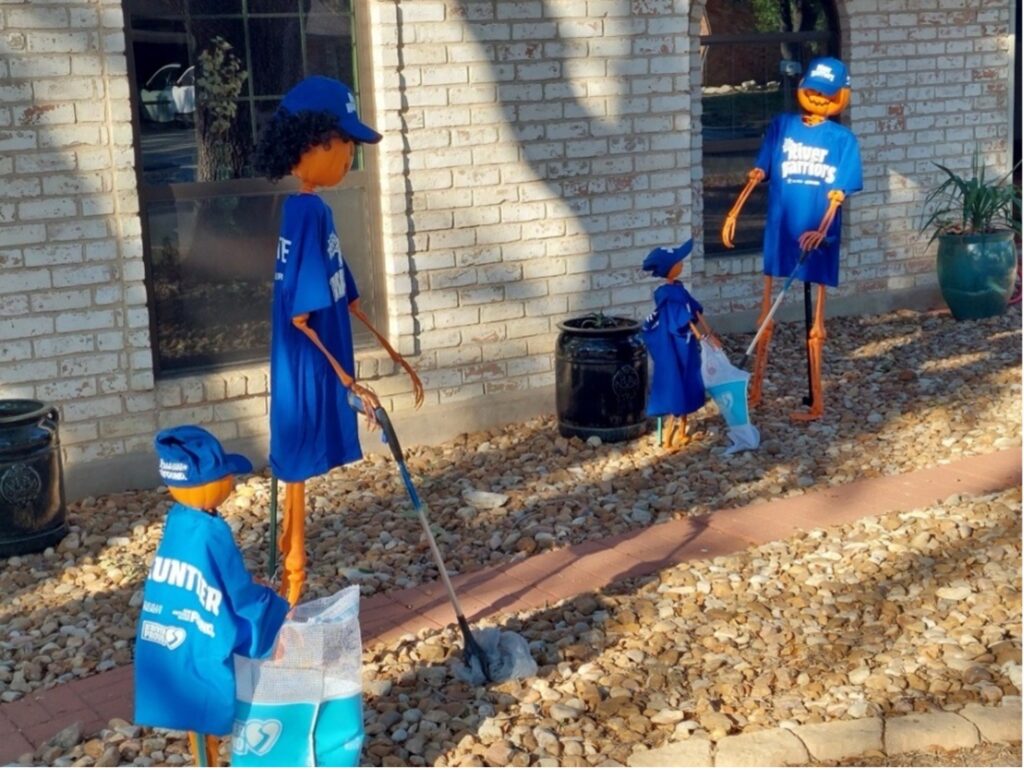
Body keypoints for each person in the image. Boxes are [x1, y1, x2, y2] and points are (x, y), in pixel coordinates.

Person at [253, 76, 423, 605]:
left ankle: (290, 573)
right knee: (299, 464)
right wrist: (350, 380)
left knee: (298, 469)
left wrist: (388, 348)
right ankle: (291, 584)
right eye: (343, 144)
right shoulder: (307, 211)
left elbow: (339, 290)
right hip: (307, 366)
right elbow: (302, 317)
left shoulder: (309, 210)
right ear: (311, 143)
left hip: (308, 359)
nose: (349, 155)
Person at [134, 426, 289, 766]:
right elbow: (236, 591)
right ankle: (211, 760)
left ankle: (205, 756)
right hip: (201, 632)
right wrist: (272, 607)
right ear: (215, 483)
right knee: (208, 690)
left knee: (192, 704)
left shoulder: (178, 519)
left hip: (166, 628)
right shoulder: (212, 532)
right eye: (227, 476)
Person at [721, 56, 863, 421]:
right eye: (813, 89)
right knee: (765, 314)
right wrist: (735, 209)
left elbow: (839, 191)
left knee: (816, 323)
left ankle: (817, 402)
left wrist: (824, 226)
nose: (818, 97)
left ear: (840, 96)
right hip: (781, 227)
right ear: (802, 85)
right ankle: (755, 391)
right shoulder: (781, 127)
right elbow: (759, 171)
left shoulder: (842, 140)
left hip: (814, 234)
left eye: (827, 93)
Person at [641, 239, 720, 449]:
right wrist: (700, 336)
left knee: (689, 383)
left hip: (687, 348)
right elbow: (683, 317)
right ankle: (668, 438)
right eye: (678, 263)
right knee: (678, 387)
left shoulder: (679, 289)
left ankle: (683, 432)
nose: (682, 265)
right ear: (670, 269)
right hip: (678, 345)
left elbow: (695, 311)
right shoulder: (666, 295)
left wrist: (708, 332)